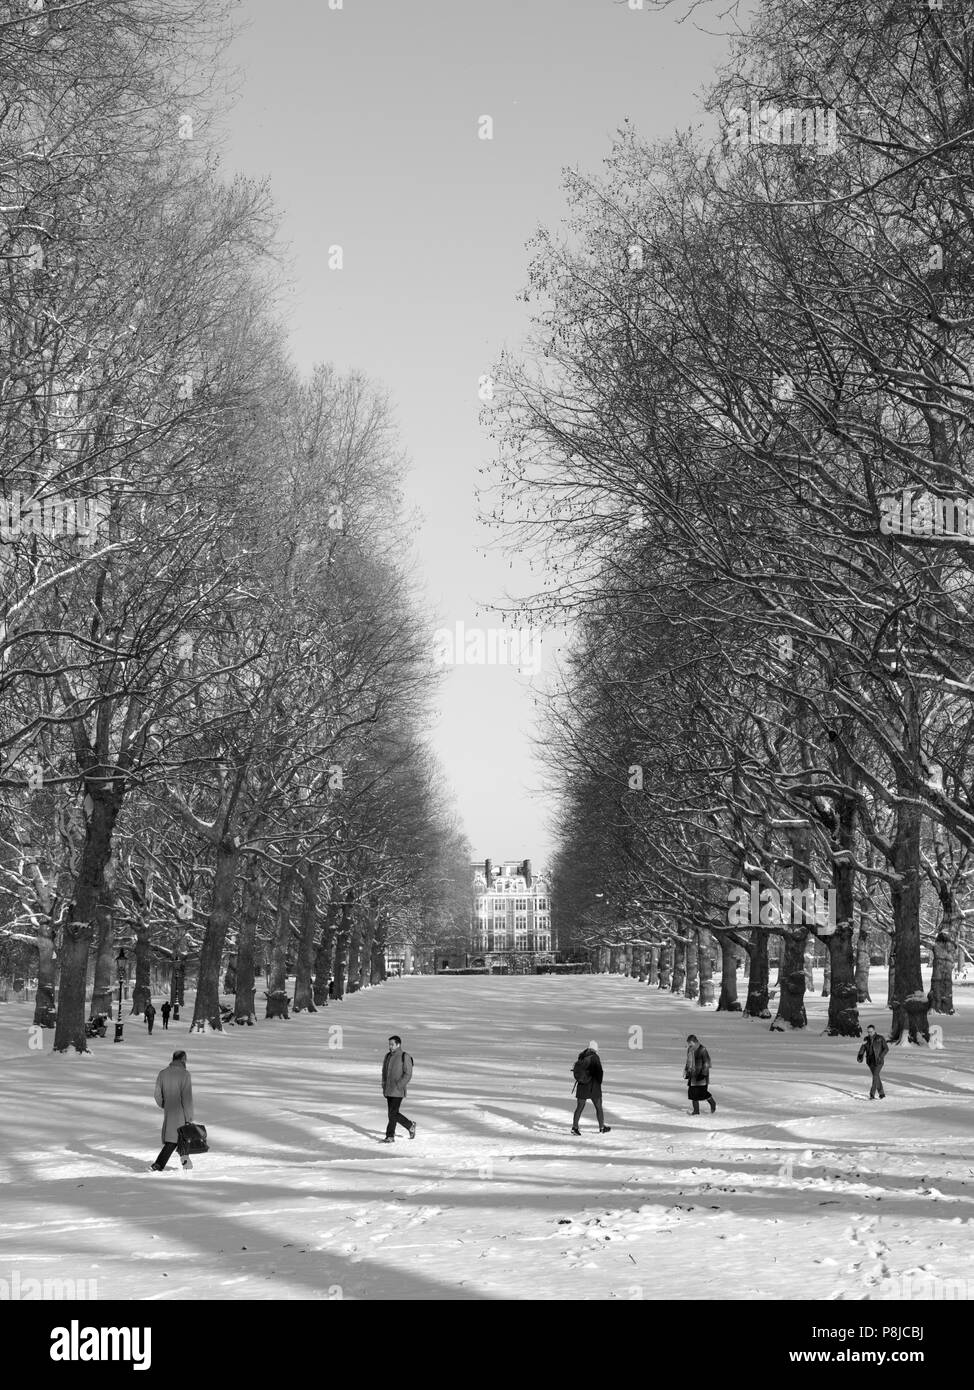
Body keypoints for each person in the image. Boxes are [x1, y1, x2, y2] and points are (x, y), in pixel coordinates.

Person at [150, 1050, 194, 1170]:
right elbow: (187, 1098)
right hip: (181, 1111)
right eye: (186, 1058)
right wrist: (189, 1117)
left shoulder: (163, 1073)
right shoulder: (185, 1074)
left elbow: (157, 1095)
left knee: (179, 1137)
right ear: (183, 1059)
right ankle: (158, 1164)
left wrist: (165, 1104)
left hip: (169, 1109)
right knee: (175, 1138)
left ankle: (186, 1162)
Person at [380, 1034, 415, 1143]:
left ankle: (390, 1136)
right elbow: (384, 1072)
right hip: (388, 1089)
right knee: (392, 1113)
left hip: (398, 1090)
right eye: (389, 1044)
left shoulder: (405, 1056)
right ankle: (410, 1125)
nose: (390, 1046)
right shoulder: (387, 1056)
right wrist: (384, 1084)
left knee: (393, 1113)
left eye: (392, 1044)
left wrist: (399, 1085)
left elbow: (408, 1073)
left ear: (398, 1044)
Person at [571, 1040, 611, 1134]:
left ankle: (574, 1127)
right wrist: (599, 1082)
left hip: (581, 1085)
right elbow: (599, 1072)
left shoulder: (581, 1056)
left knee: (579, 1107)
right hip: (593, 1086)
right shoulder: (595, 1057)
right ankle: (601, 1127)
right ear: (596, 1049)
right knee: (598, 1106)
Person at [684, 1034, 716, 1115]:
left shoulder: (702, 1049)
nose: (689, 1045)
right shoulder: (689, 1049)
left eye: (690, 1043)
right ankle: (696, 1111)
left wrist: (703, 1074)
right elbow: (688, 1061)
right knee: (692, 1093)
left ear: (694, 1041)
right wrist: (687, 1071)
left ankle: (712, 1103)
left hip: (701, 1075)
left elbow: (707, 1062)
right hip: (693, 1075)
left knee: (702, 1093)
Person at [857, 1024, 889, 1099]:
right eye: (868, 1032)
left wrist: (881, 1057)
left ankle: (872, 1094)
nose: (869, 1033)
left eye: (871, 1031)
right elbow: (863, 1048)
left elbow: (886, 1049)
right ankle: (882, 1094)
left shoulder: (880, 1038)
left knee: (875, 1076)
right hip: (870, 1061)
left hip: (879, 1061)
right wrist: (860, 1055)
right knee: (876, 1077)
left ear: (874, 1031)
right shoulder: (866, 1039)